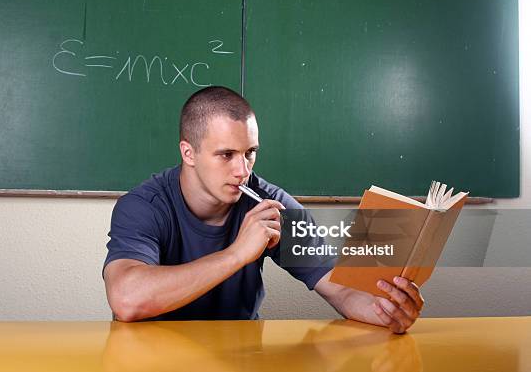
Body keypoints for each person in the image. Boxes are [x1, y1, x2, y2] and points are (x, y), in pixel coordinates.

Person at [103, 86, 424, 333]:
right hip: (153, 359)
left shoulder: (269, 204)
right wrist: (236, 254)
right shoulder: (144, 207)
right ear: (189, 152)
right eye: (226, 155)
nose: (243, 171)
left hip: (239, 358)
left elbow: (338, 288)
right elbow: (127, 300)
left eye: (250, 153)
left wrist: (383, 310)